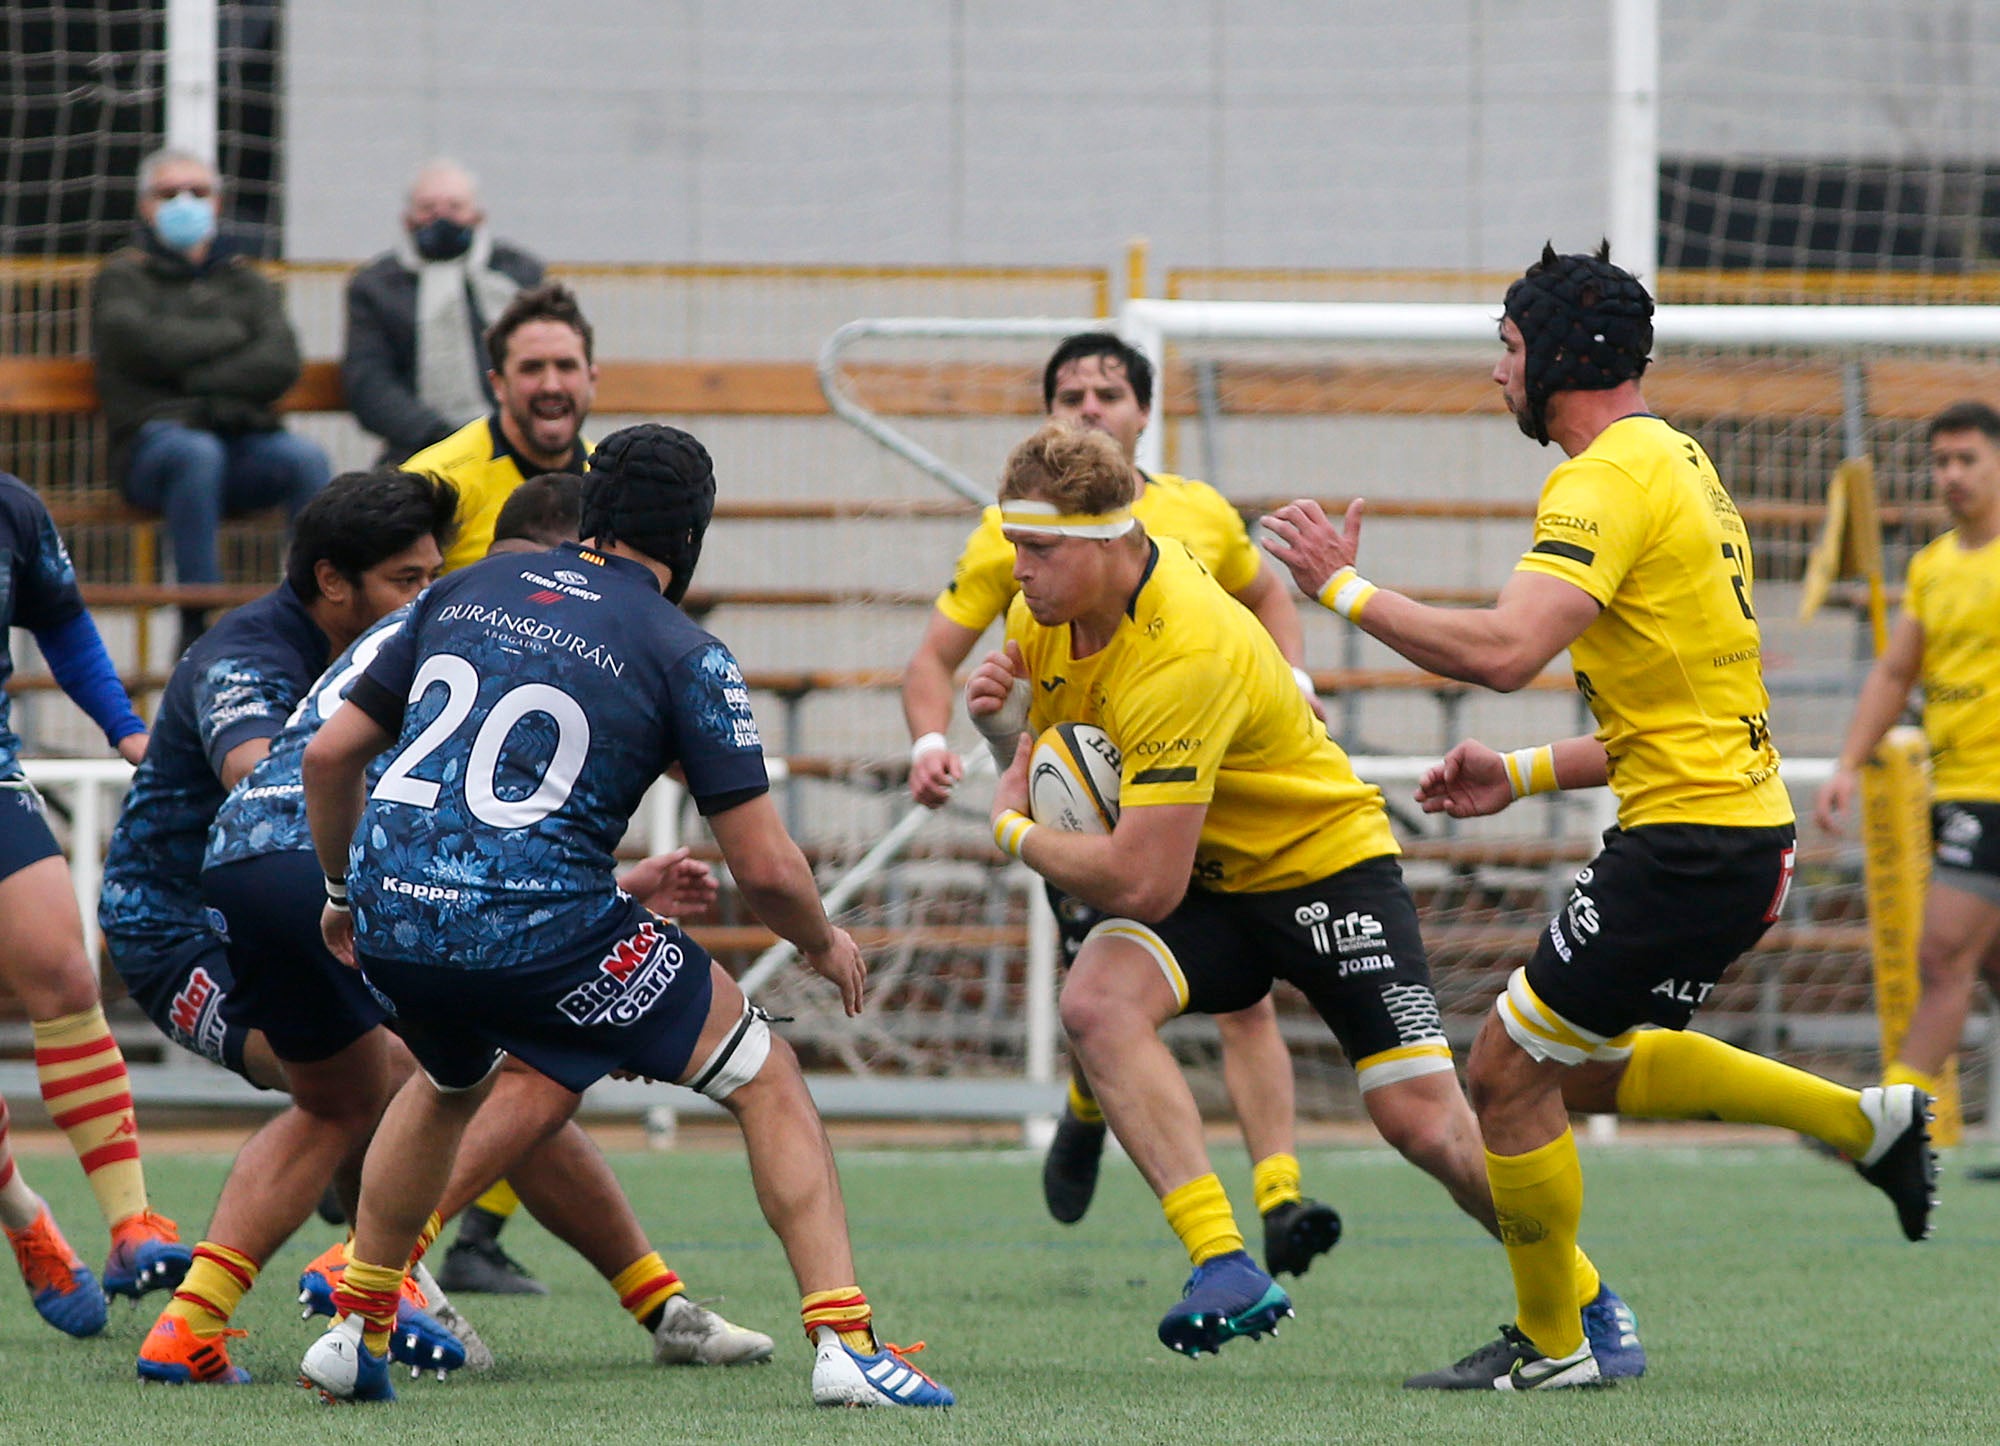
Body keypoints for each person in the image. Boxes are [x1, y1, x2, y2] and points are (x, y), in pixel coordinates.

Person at [1260, 242, 1939, 1390]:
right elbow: (1668, 711)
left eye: (1509, 349)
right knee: (1573, 1069)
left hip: (1689, 848)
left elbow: (1504, 647)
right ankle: (1867, 1124)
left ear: (1561, 356)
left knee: (1502, 1073)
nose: (1496, 376)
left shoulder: (1604, 478)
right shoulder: (1674, 460)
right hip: (1723, 833)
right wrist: (1518, 776)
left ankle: (1554, 1344)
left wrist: (1338, 588)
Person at [296, 424, 952, 1407]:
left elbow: (327, 755)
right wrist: (820, 941)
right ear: (689, 538)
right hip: (536, 926)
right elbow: (766, 868)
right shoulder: (682, 647)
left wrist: (345, 894)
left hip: (398, 909)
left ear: (591, 513)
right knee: (763, 1072)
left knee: (443, 1081)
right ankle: (846, 1345)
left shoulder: (463, 589)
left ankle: (358, 1327)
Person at [968, 422, 1640, 1372]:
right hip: (1214, 881)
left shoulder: (1182, 650)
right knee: (1096, 1003)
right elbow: (1064, 768)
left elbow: (1137, 879)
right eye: (1013, 542)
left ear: (1112, 540)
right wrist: (1004, 740)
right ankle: (1226, 1264)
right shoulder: (1039, 615)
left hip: (1325, 868)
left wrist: (1007, 832)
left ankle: (1587, 1299)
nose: (1018, 567)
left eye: (1038, 548)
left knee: (1425, 1125)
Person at [136, 470, 773, 1385]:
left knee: (358, 1099)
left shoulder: (457, 606)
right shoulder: (561, 624)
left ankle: (192, 1324)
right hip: (337, 857)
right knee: (530, 1067)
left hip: (257, 853)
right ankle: (374, 1268)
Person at [903, 331, 1339, 1275]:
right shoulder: (1013, 529)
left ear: (1144, 412)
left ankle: (1278, 1198)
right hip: (1091, 793)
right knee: (1098, 994)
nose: (1090, 407)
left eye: (1109, 392)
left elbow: (1269, 601)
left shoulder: (1200, 515)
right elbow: (945, 659)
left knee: (1245, 996)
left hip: (1209, 777)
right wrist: (943, 739)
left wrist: (1292, 677)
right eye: (1071, 393)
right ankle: (1091, 1108)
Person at [100, 468, 458, 1097]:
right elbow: (258, 777)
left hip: (315, 912)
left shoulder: (397, 654)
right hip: (179, 931)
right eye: (406, 581)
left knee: (440, 1073)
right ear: (331, 581)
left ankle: (359, 1201)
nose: (426, 598)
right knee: (390, 1083)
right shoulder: (244, 657)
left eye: (435, 577)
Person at [0, 470, 187, 1332]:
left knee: (66, 976)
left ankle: (128, 1226)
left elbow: (64, 619)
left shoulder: (13, 506)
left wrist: (127, 730)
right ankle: (25, 1217)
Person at [1817, 400, 2000, 1109]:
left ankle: (1894, 1118)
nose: (1951, 475)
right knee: (1985, 965)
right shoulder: (1932, 567)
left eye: (1968, 460)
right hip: (1952, 787)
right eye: (1941, 461)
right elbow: (1896, 673)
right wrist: (1846, 764)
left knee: (1941, 952)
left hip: (1993, 793)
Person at [90, 147, 331, 651]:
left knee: (305, 459)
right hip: (153, 451)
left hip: (240, 441)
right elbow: (136, 344)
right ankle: (201, 620)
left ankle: (317, 612)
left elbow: (280, 361)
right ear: (144, 205)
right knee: (196, 454)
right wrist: (229, 335)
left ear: (218, 203)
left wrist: (188, 376)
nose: (185, 202)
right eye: (168, 192)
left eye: (198, 192)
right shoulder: (121, 277)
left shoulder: (246, 279)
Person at [342, 160, 545, 461]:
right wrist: (442, 436)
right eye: (428, 207)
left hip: (518, 441)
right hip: (416, 447)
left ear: (478, 216)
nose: (441, 218)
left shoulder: (518, 275)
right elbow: (370, 382)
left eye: (455, 207)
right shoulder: (375, 287)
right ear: (407, 218)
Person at [402, 281, 594, 574]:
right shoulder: (436, 482)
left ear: (591, 378)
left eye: (566, 366)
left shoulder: (610, 483)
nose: (551, 386)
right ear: (498, 385)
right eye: (531, 368)